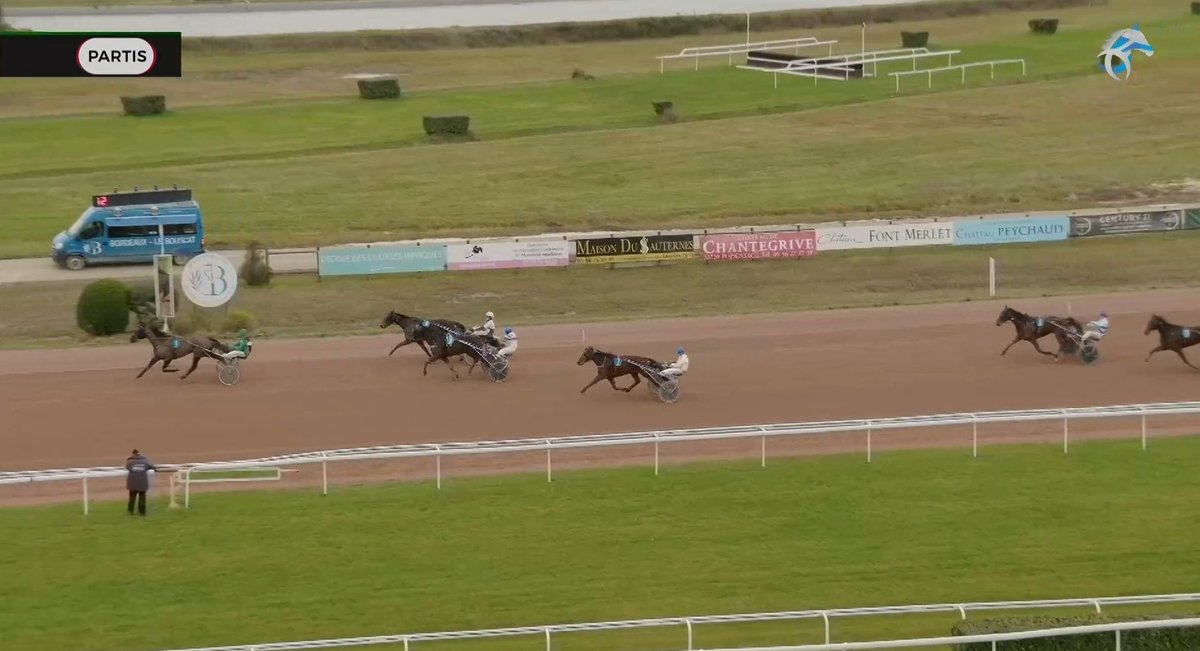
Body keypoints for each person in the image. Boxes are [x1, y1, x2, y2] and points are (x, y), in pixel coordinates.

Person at [125, 449, 157, 516]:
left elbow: (127, 467)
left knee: (132, 498)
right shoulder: (145, 461)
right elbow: (151, 467)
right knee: (142, 499)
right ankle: (142, 512)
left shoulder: (130, 461)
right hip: (142, 484)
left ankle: (130, 511)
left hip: (132, 484)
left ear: (133, 454)